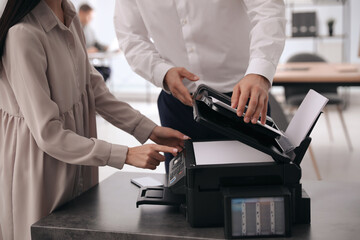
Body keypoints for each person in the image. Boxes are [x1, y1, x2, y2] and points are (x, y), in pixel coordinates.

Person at [0, 1, 188, 240]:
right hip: (38, 169)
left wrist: (149, 129)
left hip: (78, 157)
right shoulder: (22, 35)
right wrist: (126, 154)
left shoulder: (68, 13)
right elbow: (48, 134)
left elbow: (93, 88)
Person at [114, 0, 286, 172]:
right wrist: (162, 73)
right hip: (178, 104)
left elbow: (267, 9)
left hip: (243, 102)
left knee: (253, 187)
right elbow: (130, 36)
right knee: (184, 191)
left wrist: (260, 71)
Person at [78, 3, 111, 81]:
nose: (91, 19)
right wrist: (86, 51)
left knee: (107, 71)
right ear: (81, 13)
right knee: (99, 75)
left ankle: (95, 92)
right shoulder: (73, 29)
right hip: (79, 65)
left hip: (89, 63)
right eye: (89, 16)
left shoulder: (89, 29)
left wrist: (107, 48)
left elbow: (96, 43)